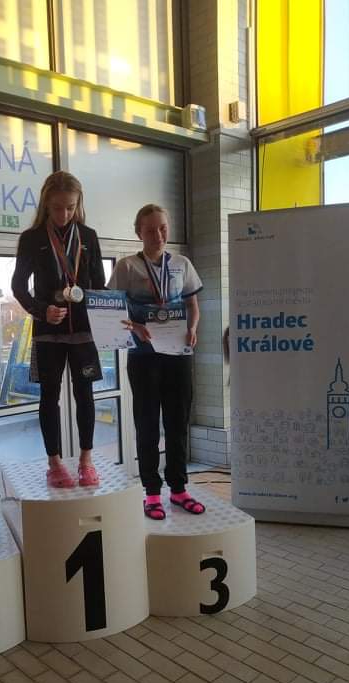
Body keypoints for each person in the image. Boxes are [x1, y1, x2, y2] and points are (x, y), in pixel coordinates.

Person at [108, 204, 205, 519]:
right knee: (147, 425)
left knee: (177, 423)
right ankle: (151, 492)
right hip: (143, 357)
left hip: (177, 355)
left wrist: (193, 328)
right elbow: (112, 311)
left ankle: (179, 489)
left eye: (163, 228)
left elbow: (192, 306)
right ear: (139, 233)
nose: (158, 235)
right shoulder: (127, 267)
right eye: (150, 230)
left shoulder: (182, 264)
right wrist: (135, 326)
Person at [12, 171, 106, 488]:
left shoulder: (89, 236)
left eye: (70, 207)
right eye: (56, 208)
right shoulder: (32, 238)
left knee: (85, 394)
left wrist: (107, 314)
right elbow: (18, 286)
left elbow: (99, 285)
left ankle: (86, 461)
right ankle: (54, 464)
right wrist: (42, 310)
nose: (63, 214)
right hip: (48, 332)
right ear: (45, 204)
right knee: (49, 396)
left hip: (83, 332)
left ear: (78, 204)